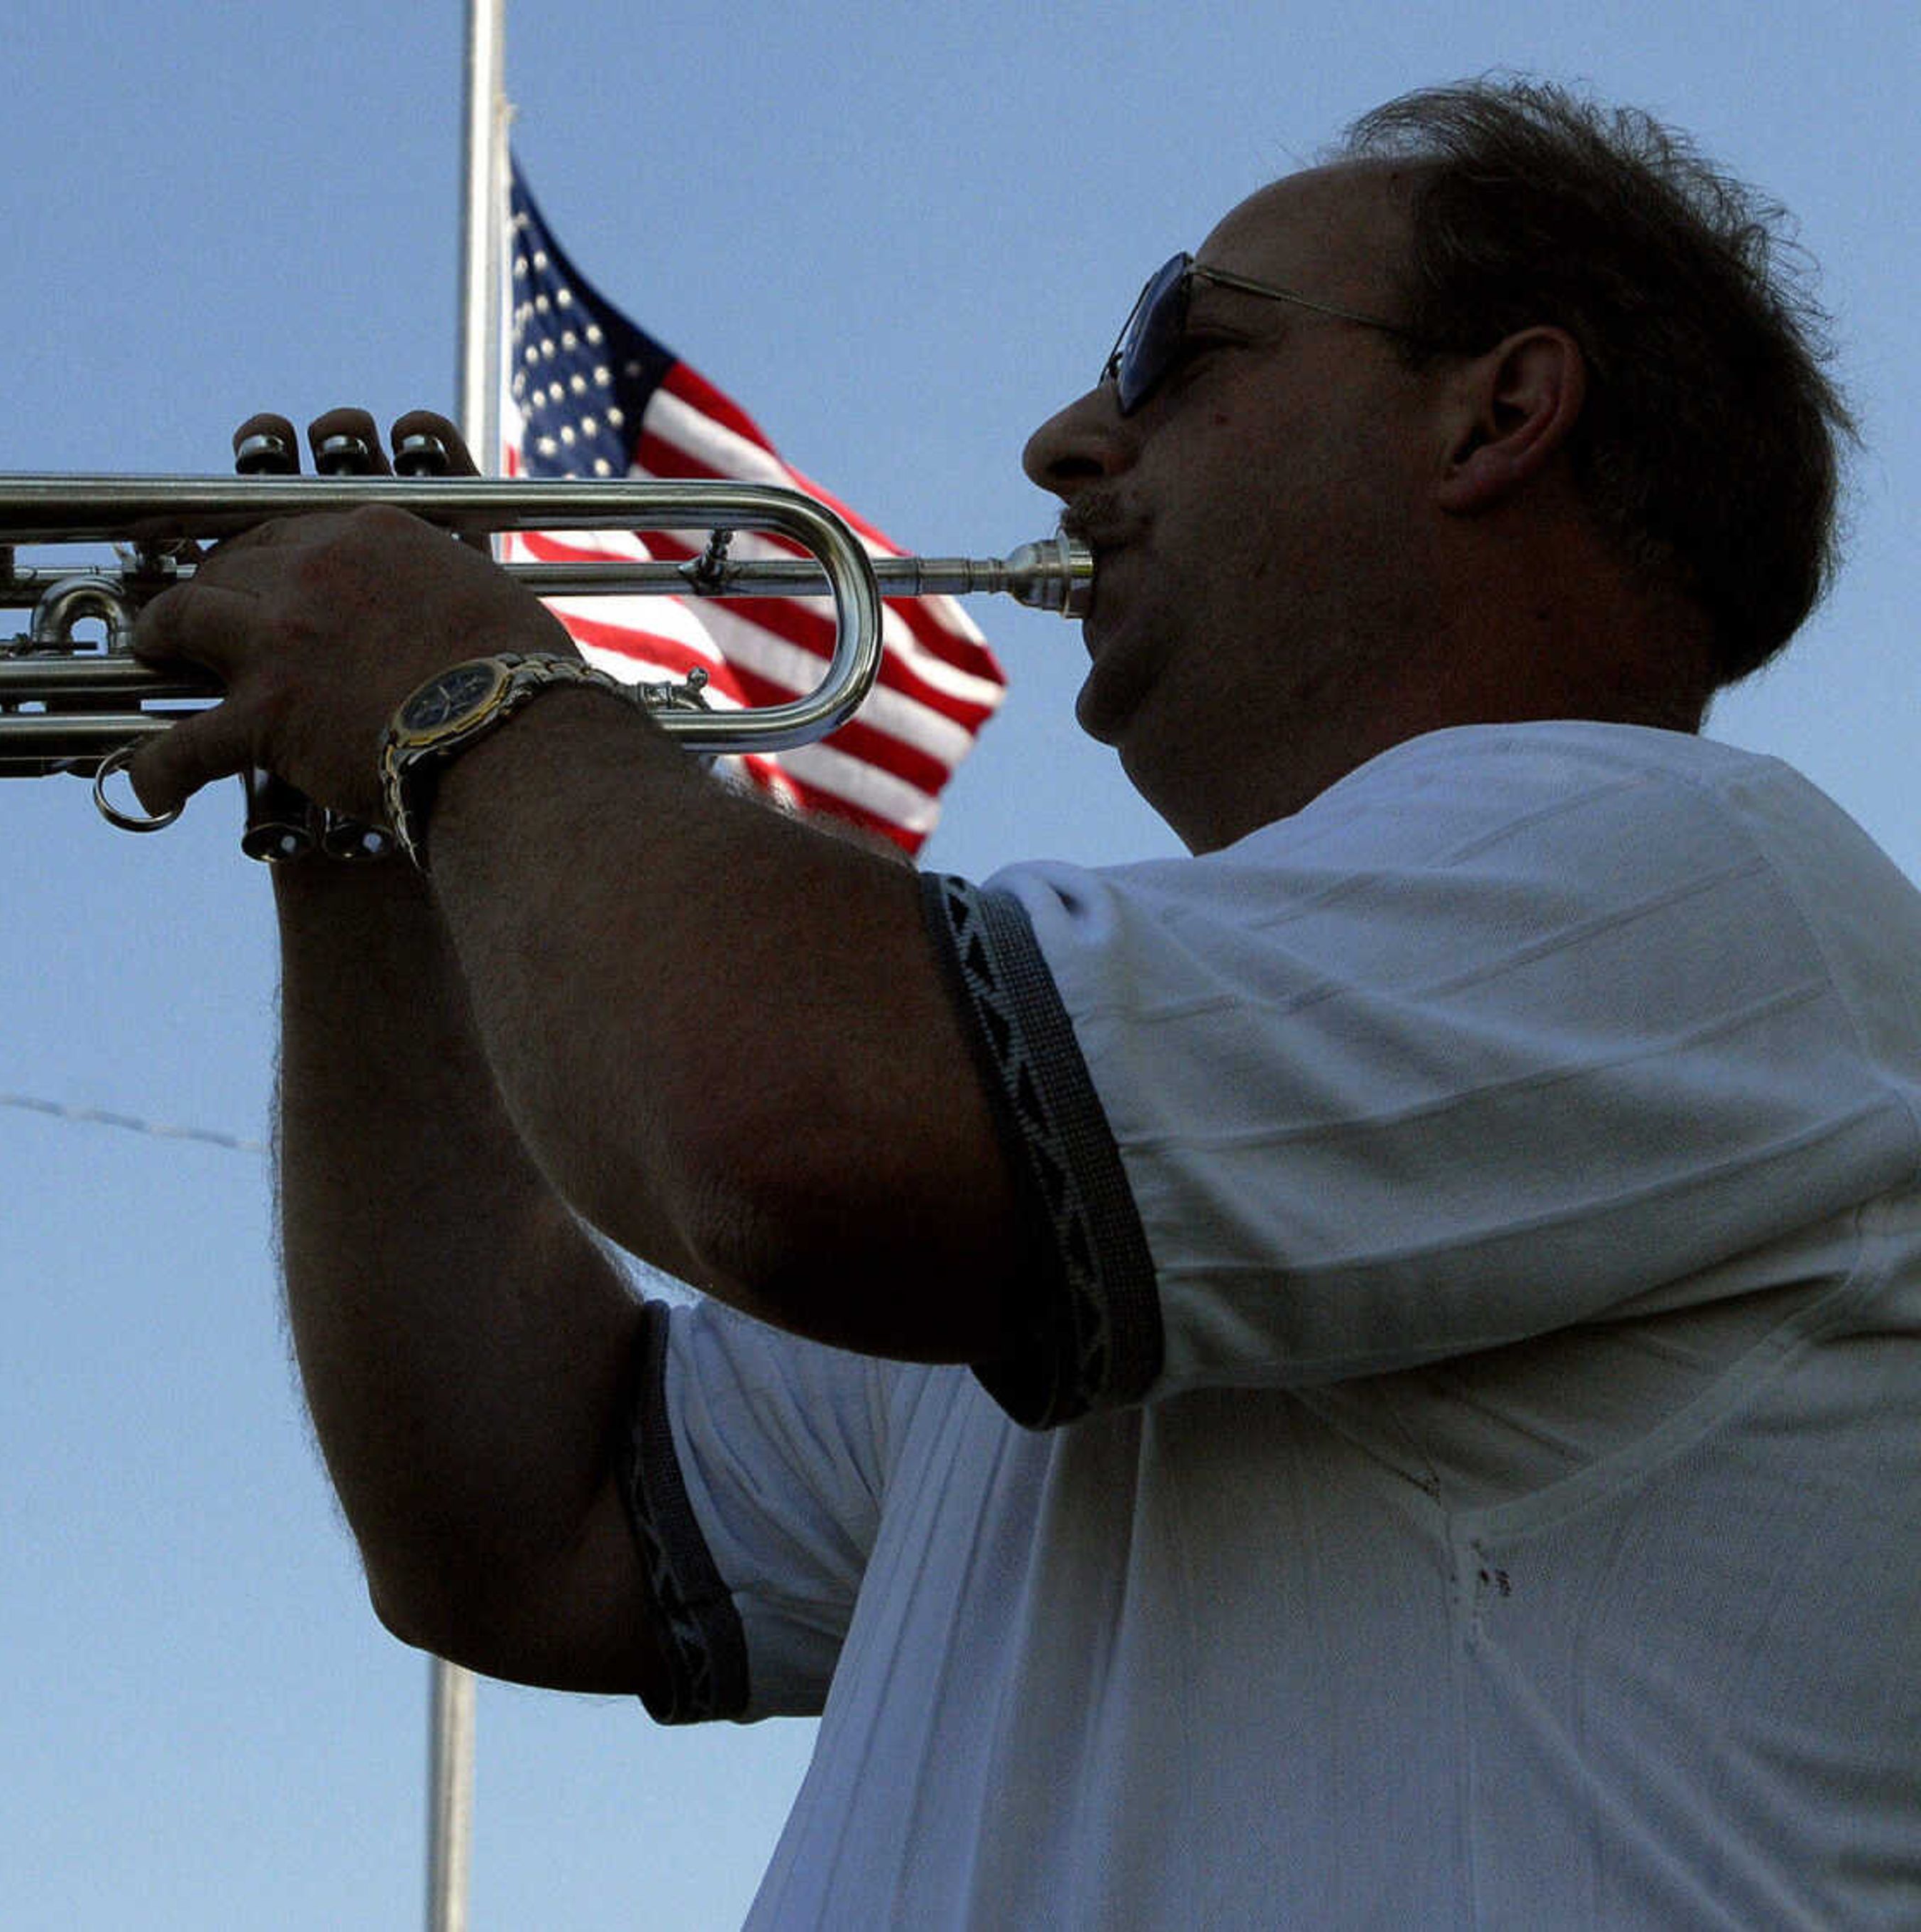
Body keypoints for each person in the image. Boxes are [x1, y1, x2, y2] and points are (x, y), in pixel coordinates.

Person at [127, 79, 1920, 1926]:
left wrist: (462, 693)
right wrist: (365, 841)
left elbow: (782, 1123)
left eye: (1175, 345)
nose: (1068, 441)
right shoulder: (1213, 1087)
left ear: (1501, 412)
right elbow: (525, 1529)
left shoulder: (1696, 878)